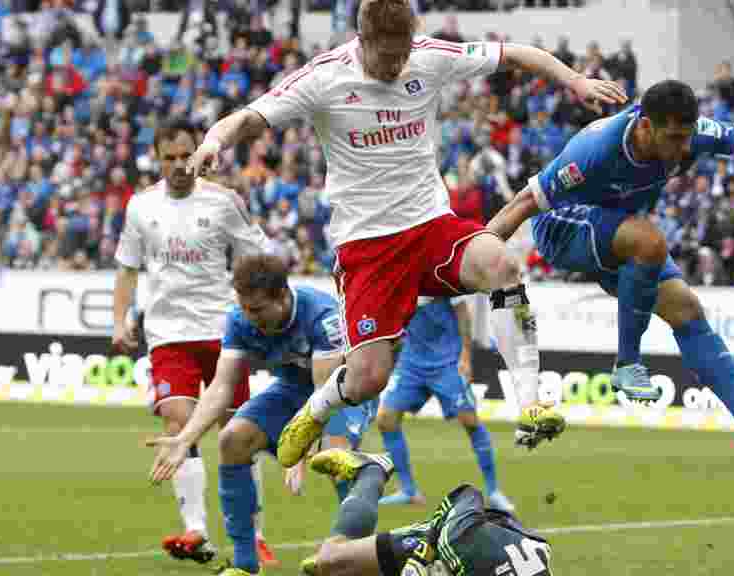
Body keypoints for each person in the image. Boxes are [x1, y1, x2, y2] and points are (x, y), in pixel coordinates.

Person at [185, 0, 628, 461]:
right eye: (386, 57)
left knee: (501, 263)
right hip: (367, 245)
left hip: (429, 225)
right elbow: (247, 118)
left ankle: (532, 402)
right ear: (362, 41)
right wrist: (214, 142)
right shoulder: (324, 77)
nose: (397, 66)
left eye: (403, 55)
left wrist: (574, 80)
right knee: (368, 378)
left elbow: (515, 53)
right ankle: (315, 409)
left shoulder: (428, 56)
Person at [487, 80, 734, 450]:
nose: (683, 150)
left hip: (616, 230)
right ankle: (628, 364)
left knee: (686, 308)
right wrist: (475, 253)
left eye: (687, 137)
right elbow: (523, 203)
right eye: (674, 138)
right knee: (650, 241)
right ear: (645, 126)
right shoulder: (594, 149)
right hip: (562, 224)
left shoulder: (693, 134)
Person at [146, 254, 377, 575]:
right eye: (243, 306)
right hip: (291, 388)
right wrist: (186, 438)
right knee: (232, 440)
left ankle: (360, 557)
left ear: (282, 297)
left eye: (256, 309)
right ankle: (244, 565)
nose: (247, 316)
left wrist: (301, 451)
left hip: (341, 390)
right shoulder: (240, 320)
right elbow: (221, 387)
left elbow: (323, 391)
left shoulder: (321, 316)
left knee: (334, 452)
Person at [112, 121, 278, 566]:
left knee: (237, 433)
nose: (179, 165)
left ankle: (255, 531)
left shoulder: (224, 203)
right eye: (169, 157)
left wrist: (259, 309)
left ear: (198, 154)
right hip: (168, 336)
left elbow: (257, 255)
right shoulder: (140, 207)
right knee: (177, 424)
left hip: (224, 332)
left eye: (186, 155)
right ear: (158, 157)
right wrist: (119, 319)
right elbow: (127, 269)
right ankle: (196, 530)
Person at [300, 449, 553, 576]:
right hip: (453, 535)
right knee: (330, 560)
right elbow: (465, 495)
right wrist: (419, 561)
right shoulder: (463, 546)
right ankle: (372, 470)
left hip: (487, 554)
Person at [377, 296, 512, 511]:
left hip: (447, 362)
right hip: (411, 362)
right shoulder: (401, 275)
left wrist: (466, 355)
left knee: (470, 421)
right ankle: (408, 490)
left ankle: (493, 491)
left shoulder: (440, 272)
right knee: (386, 419)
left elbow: (462, 313)